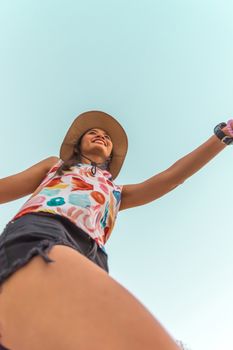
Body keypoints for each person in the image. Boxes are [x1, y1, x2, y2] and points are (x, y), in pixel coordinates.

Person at [0, 110, 232, 350]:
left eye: (106, 137)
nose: (101, 136)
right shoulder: (55, 167)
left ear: (111, 155)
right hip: (45, 229)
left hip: (93, 256)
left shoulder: (117, 192)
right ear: (77, 146)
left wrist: (222, 136)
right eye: (93, 133)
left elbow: (171, 177)